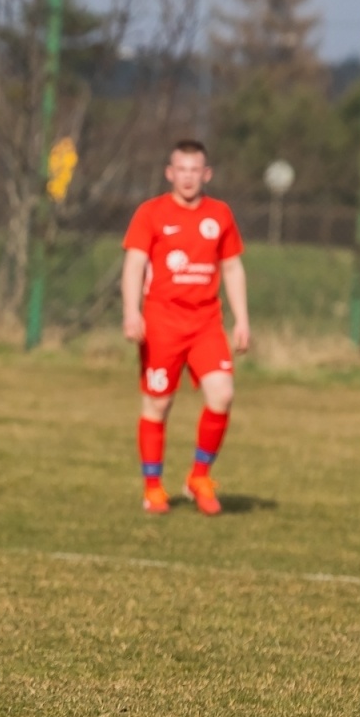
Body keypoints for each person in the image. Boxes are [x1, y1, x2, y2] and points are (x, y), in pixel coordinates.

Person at [121, 140, 250, 516]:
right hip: (161, 322)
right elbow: (133, 265)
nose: (189, 177)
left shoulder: (220, 215)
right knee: (158, 403)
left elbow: (232, 267)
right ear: (170, 173)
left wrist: (242, 318)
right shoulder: (151, 213)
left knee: (222, 395)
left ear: (206, 174)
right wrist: (132, 312)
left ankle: (199, 477)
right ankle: (153, 487)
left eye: (196, 170)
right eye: (182, 169)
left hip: (206, 322)